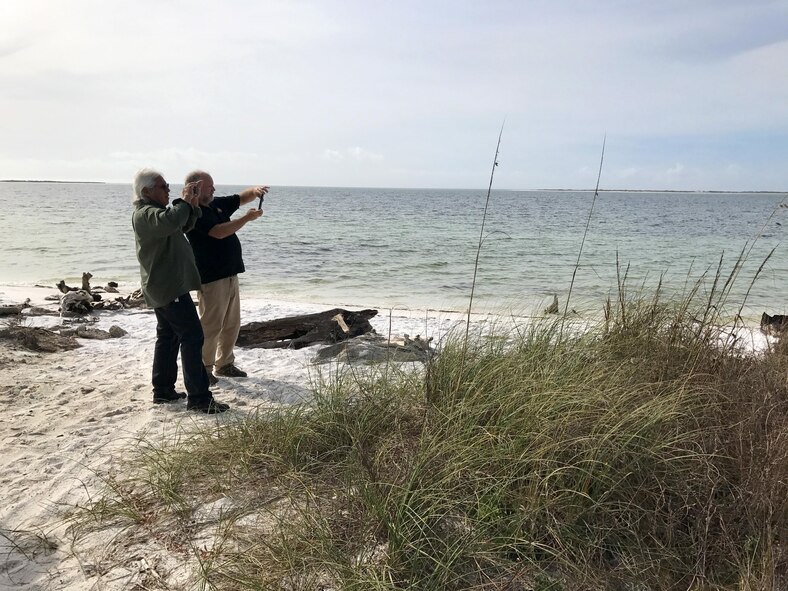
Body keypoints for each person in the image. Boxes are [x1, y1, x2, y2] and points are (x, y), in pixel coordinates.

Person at [131, 168, 229, 413]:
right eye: (163, 187)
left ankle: (163, 391)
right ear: (146, 191)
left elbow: (182, 225)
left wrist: (192, 205)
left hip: (165, 286)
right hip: (168, 287)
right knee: (192, 336)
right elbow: (172, 220)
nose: (168, 191)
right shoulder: (146, 215)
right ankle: (198, 397)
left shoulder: (156, 214)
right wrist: (185, 201)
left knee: (168, 337)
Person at [184, 170, 268, 384]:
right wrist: (246, 219)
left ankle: (225, 364)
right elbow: (219, 231)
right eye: (209, 186)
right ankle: (204, 367)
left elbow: (242, 197)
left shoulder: (216, 203)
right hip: (211, 277)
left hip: (230, 273)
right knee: (211, 326)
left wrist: (255, 191)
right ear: (195, 187)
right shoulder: (192, 212)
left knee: (232, 324)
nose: (213, 189)